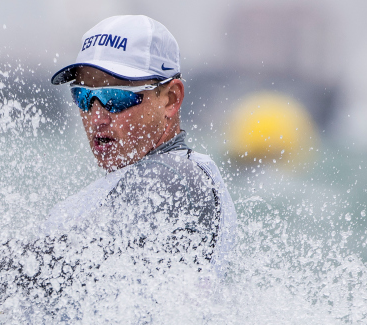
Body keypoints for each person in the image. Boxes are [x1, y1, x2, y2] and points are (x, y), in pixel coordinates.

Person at [44, 15, 236, 275]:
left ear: (171, 99)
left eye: (116, 97)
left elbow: (75, 268)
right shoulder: (135, 179)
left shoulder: (176, 175)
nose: (97, 118)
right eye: (84, 97)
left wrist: (10, 267)